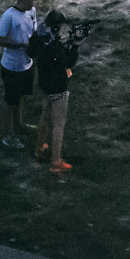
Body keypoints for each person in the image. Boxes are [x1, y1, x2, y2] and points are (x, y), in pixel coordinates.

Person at [29, 10, 79, 174]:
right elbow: (68, 61)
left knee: (45, 115)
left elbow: (31, 51)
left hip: (44, 82)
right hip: (58, 85)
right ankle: (56, 162)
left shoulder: (39, 37)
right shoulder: (55, 46)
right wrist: (75, 45)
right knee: (59, 125)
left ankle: (39, 148)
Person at [0, 0, 39, 149]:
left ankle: (19, 125)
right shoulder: (9, 16)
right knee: (10, 102)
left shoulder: (31, 11)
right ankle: (8, 135)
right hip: (12, 66)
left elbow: (33, 32)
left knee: (20, 98)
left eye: (33, 1)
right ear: (21, 0)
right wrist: (20, 44)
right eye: (30, 1)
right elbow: (0, 39)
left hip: (27, 64)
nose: (32, 5)